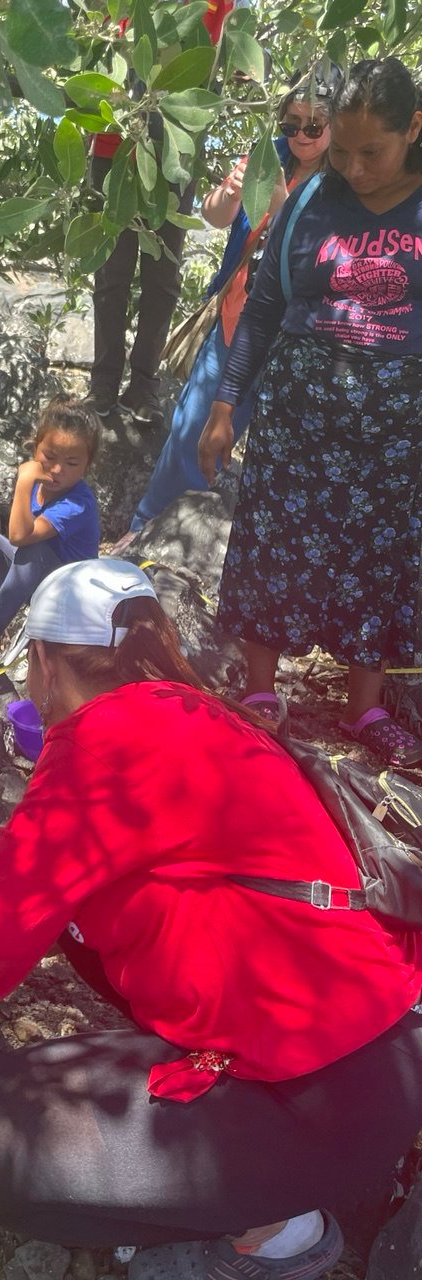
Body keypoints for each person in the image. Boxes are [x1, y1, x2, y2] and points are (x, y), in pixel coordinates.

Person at [0, 558, 422, 1280]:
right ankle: (300, 1178)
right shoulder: (196, 709)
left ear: (46, 663)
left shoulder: (101, 741)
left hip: (308, 1091)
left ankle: (269, 1229)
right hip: (379, 1047)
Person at [199, 57, 422, 764]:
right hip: (300, 413)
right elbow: (264, 310)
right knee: (272, 537)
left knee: (380, 553)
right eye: (342, 150)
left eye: (372, 151)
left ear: (414, 127)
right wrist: (225, 403)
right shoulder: (311, 197)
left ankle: (364, 709)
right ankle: (262, 691)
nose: (355, 167)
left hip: (396, 428)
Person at [116, 68, 336, 547]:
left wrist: (281, 206)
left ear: (337, 123)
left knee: (273, 447)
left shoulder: (345, 178)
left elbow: (321, 252)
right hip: (238, 314)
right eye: (290, 124)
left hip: (296, 337)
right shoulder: (268, 156)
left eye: (313, 126)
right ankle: (145, 529)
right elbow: (216, 216)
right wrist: (234, 190)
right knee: (192, 426)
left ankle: (214, 540)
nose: (300, 135)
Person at [85, 1, 234, 425]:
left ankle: (144, 387)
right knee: (111, 274)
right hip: (114, 149)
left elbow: (222, 58)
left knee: (162, 276)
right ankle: (104, 384)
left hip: (175, 152)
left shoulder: (219, 4)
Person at [0, 396, 100, 660]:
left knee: (35, 548)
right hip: (36, 582)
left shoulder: (78, 502)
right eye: (49, 456)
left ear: (87, 466)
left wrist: (23, 483)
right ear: (35, 447)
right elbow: (16, 536)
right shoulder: (41, 485)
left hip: (66, 599)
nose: (56, 469)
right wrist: (29, 486)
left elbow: (19, 537)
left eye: (72, 463)